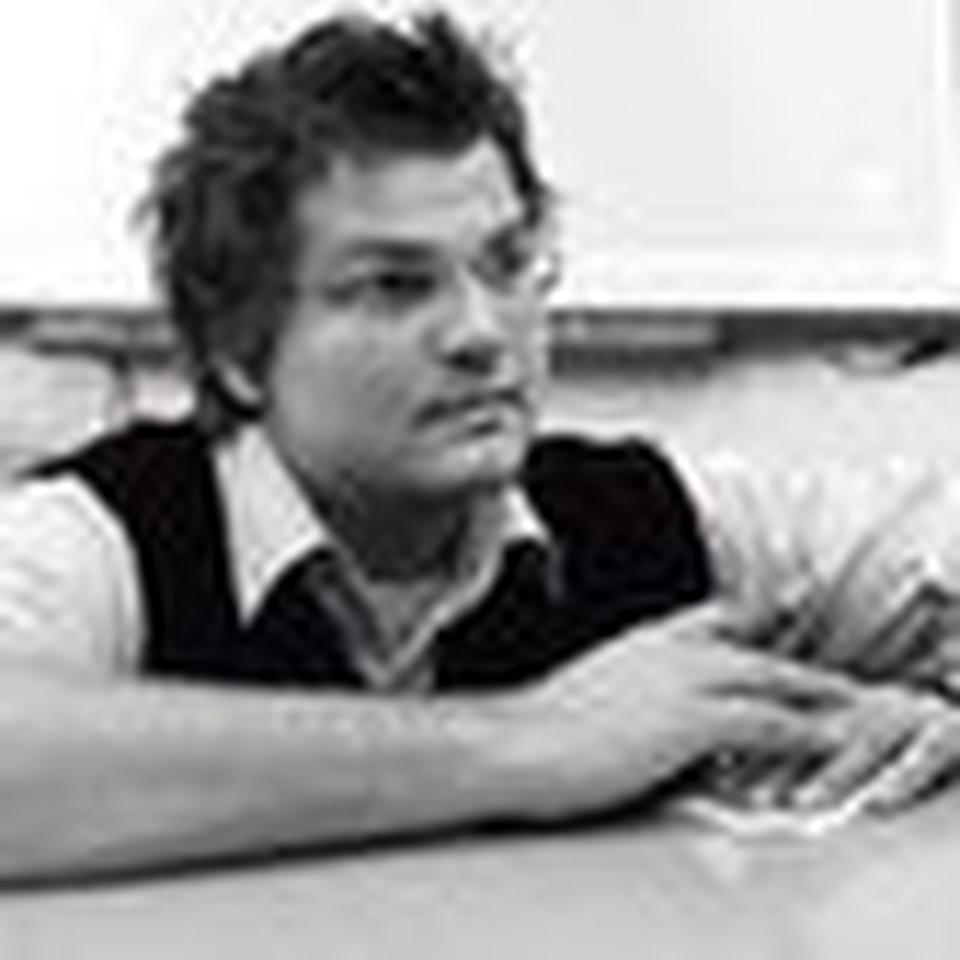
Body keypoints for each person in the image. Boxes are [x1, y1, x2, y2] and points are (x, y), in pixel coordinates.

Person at [0, 9, 956, 883]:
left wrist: (932, 716)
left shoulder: (654, 513)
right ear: (235, 354)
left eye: (507, 265)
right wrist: (530, 743)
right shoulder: (97, 537)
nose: (483, 333)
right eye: (394, 286)